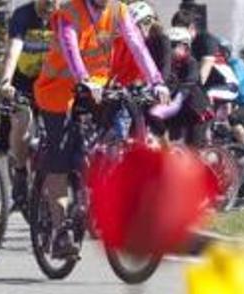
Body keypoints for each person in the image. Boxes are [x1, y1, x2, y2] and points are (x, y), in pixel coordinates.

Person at [33, 0, 166, 258]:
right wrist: (83, 78)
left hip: (97, 89)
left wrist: (156, 81)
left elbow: (136, 43)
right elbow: (71, 47)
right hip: (57, 92)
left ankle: (96, 192)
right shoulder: (68, 12)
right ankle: (60, 230)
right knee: (59, 158)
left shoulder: (118, 10)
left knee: (108, 141)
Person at [0, 0, 54, 210]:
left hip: (51, 83)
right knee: (22, 124)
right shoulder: (22, 15)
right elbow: (14, 49)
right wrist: (5, 81)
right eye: (46, 2)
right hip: (23, 81)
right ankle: (20, 173)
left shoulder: (64, 15)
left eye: (55, 2)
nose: (50, 5)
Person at [170, 9, 221, 90]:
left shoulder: (206, 40)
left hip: (220, 84)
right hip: (199, 83)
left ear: (191, 28)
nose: (176, 34)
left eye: (180, 30)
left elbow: (203, 74)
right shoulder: (181, 43)